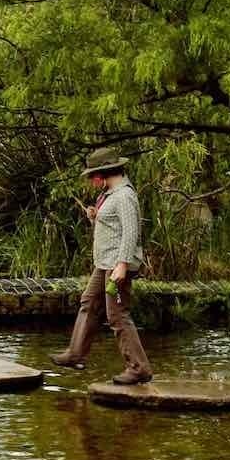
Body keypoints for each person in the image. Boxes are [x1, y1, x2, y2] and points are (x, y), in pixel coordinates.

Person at [52, 146, 153, 383]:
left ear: (103, 173)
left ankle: (139, 368)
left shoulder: (124, 195)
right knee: (89, 302)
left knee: (117, 314)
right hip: (105, 263)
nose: (91, 180)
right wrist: (94, 216)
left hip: (117, 264)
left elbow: (131, 232)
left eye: (93, 175)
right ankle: (76, 354)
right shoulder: (110, 194)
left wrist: (122, 265)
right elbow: (113, 225)